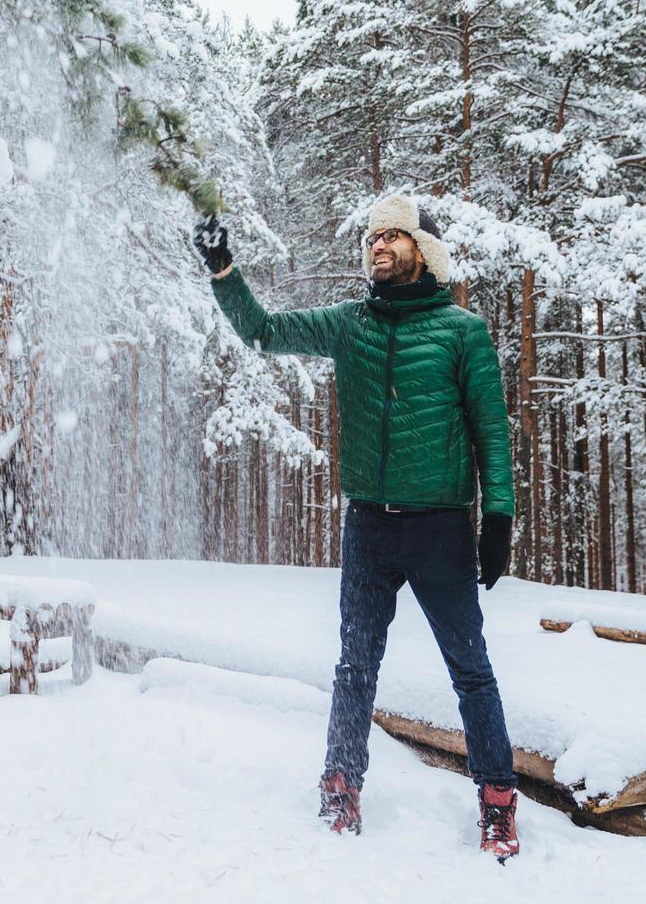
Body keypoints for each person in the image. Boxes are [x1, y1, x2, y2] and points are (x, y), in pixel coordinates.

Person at [194, 195, 520, 861]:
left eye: (392, 236)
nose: (377, 246)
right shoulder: (351, 325)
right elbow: (262, 330)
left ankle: (496, 800)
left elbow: (492, 432)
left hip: (441, 530)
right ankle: (342, 783)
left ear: (422, 251)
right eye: (373, 238)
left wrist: (499, 520)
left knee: (471, 669)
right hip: (369, 526)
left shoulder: (462, 332)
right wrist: (223, 267)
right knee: (354, 665)